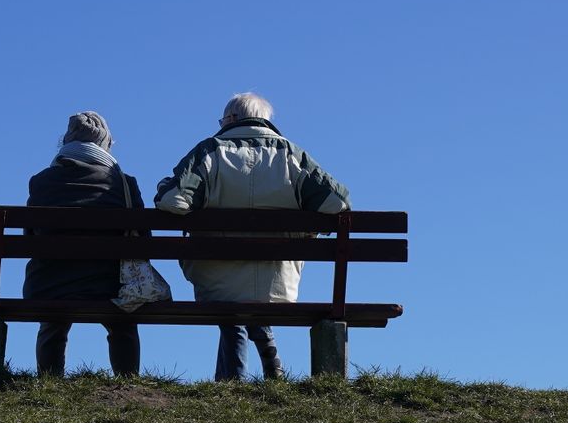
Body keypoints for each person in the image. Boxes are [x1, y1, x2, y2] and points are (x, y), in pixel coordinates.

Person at [154, 92, 350, 381]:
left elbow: (173, 200)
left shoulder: (210, 152)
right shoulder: (291, 155)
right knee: (249, 296)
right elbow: (337, 204)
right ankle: (266, 361)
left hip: (216, 279)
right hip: (277, 282)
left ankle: (231, 380)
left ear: (231, 119)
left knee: (233, 294)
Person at [22, 111, 143, 378]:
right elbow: (143, 241)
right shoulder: (123, 183)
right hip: (109, 285)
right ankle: (128, 381)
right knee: (123, 323)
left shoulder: (41, 182)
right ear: (105, 145)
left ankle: (49, 380)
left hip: (49, 286)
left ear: (66, 142)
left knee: (52, 323)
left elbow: (29, 240)